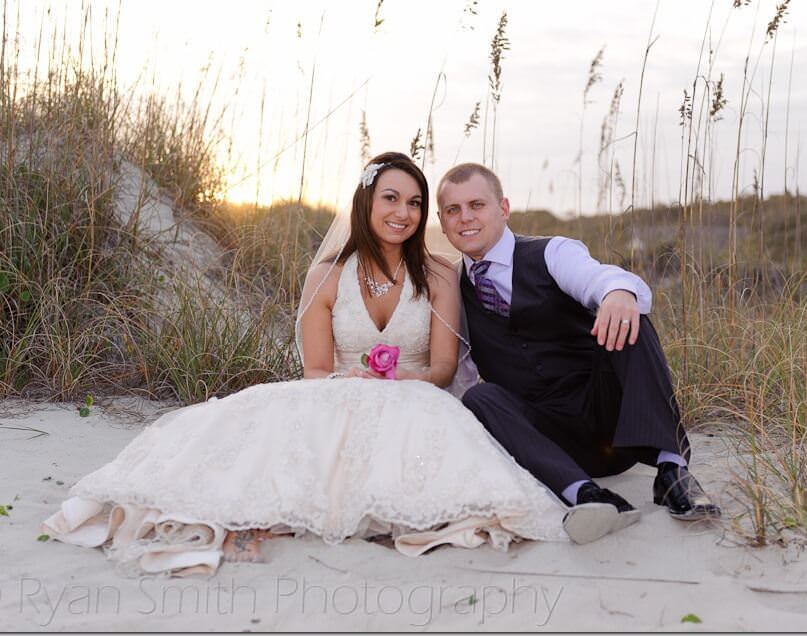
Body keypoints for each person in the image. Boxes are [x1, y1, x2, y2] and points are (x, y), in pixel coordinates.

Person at [42, 152, 596, 578]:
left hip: (419, 396)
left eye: (414, 203)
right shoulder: (327, 274)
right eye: (391, 199)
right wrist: (351, 381)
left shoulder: (441, 273)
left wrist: (396, 377)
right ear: (366, 203)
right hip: (334, 390)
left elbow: (445, 369)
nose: (403, 213)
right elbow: (313, 372)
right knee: (275, 427)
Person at [435, 162, 721, 543]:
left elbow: (599, 277)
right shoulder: (451, 287)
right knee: (479, 396)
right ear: (441, 221)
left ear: (503, 208)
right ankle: (586, 495)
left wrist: (619, 292)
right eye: (453, 210)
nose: (465, 218)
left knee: (628, 315)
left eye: (476, 205)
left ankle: (673, 472)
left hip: (613, 424)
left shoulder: (551, 252)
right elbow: (459, 373)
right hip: (552, 445)